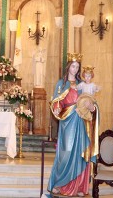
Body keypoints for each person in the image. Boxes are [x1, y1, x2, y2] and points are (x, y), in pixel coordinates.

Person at [48, 53, 99, 197]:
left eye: (77, 67)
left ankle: (79, 187)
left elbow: (90, 101)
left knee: (80, 153)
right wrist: (57, 107)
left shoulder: (82, 85)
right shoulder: (61, 83)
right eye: (73, 66)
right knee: (66, 152)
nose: (75, 69)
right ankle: (59, 184)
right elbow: (56, 101)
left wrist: (92, 107)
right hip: (67, 122)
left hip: (81, 121)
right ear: (68, 66)